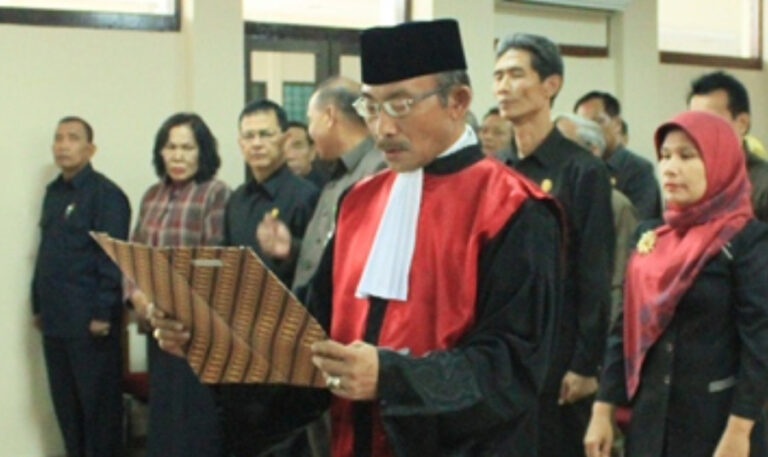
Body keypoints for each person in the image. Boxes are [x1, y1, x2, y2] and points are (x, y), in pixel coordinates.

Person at [153, 19, 563, 457]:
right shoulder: (359, 201)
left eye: (400, 104)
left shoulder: (512, 208)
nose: (382, 128)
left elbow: (513, 367)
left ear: (457, 101)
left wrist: (390, 377)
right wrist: (213, 340)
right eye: (371, 106)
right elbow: (311, 336)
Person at [584, 110, 768, 457]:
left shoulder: (748, 240)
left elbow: (760, 344)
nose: (670, 168)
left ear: (719, 162)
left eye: (687, 156)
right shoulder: (651, 235)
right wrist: (602, 410)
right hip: (650, 424)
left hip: (717, 426)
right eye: (665, 156)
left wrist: (740, 430)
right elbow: (624, 327)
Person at [493, 33, 615, 457]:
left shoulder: (582, 170)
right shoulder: (495, 169)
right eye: (498, 76)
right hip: (503, 354)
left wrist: (584, 363)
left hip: (558, 353)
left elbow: (594, 273)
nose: (503, 86)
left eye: (515, 74)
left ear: (551, 85)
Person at [127, 112, 231, 457]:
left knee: (195, 427)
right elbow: (134, 257)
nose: (178, 156)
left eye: (187, 148)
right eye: (171, 147)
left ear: (203, 152)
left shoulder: (215, 193)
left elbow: (214, 261)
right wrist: (141, 301)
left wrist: (172, 305)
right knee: (164, 423)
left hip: (195, 332)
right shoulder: (151, 196)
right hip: (156, 329)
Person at [32, 116, 130, 457]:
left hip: (91, 325)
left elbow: (113, 258)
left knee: (99, 415)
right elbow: (46, 252)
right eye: (58, 138)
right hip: (55, 321)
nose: (63, 145)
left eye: (73, 138)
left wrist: (103, 312)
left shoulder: (107, 195)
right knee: (68, 413)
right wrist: (37, 304)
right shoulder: (54, 194)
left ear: (91, 149)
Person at [224, 99, 319, 286]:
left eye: (265, 134)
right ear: (240, 144)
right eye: (249, 136)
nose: (256, 144)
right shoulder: (236, 199)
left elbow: (319, 264)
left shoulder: (307, 196)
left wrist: (290, 250)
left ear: (285, 139)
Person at [555, 113, 638, 325]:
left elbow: (619, 282)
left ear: (592, 151)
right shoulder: (543, 197)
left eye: (563, 146)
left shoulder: (617, 205)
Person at [687, 70, 768, 222]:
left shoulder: (763, 185)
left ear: (742, 123)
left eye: (710, 121)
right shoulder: (687, 179)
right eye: (694, 122)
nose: (700, 131)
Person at [574, 91, 661, 219]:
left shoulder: (639, 169)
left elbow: (637, 222)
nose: (589, 131)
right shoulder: (577, 167)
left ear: (617, 124)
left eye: (597, 121)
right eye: (582, 125)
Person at [284, 120, 331, 188]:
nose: (289, 156)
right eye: (282, 148)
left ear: (312, 152)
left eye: (297, 146)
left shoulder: (328, 187)